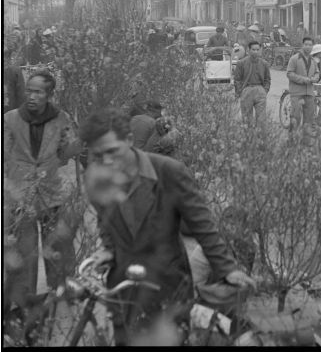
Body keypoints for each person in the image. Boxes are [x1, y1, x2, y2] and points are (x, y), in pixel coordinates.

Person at [80, 107, 255, 346]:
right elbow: (105, 220)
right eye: (98, 155)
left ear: (130, 141)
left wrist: (227, 269)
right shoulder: (98, 177)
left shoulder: (168, 171)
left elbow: (203, 225)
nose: (107, 161)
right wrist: (108, 249)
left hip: (167, 284)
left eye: (112, 151)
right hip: (123, 285)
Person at [4, 70, 82, 309]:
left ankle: (62, 290)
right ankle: (23, 299)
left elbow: (66, 153)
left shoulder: (62, 118)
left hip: (52, 194)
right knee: (24, 251)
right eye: (29, 90)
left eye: (38, 92)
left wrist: (79, 141)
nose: (32, 96)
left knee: (58, 246)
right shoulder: (10, 119)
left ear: (49, 94)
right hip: (21, 196)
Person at [233, 40, 271, 128]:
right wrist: (241, 92)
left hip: (260, 90)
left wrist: (265, 90)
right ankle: (248, 140)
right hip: (246, 90)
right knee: (247, 120)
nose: (256, 52)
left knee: (261, 120)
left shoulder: (264, 64)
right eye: (253, 49)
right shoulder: (241, 63)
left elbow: (267, 79)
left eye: (258, 49)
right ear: (248, 50)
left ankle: (260, 140)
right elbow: (237, 79)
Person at [286, 37, 319, 134]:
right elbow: (289, 74)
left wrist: (315, 78)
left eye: (310, 45)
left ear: (312, 46)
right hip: (297, 92)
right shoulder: (295, 59)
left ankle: (305, 142)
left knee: (309, 118)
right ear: (302, 45)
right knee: (295, 117)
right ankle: (292, 139)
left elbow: (317, 72)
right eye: (306, 44)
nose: (308, 47)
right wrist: (304, 80)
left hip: (309, 92)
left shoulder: (313, 60)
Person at [3, 48, 26, 113]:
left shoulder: (15, 72)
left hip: (10, 113)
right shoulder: (15, 71)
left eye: (6, 56)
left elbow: (21, 96)